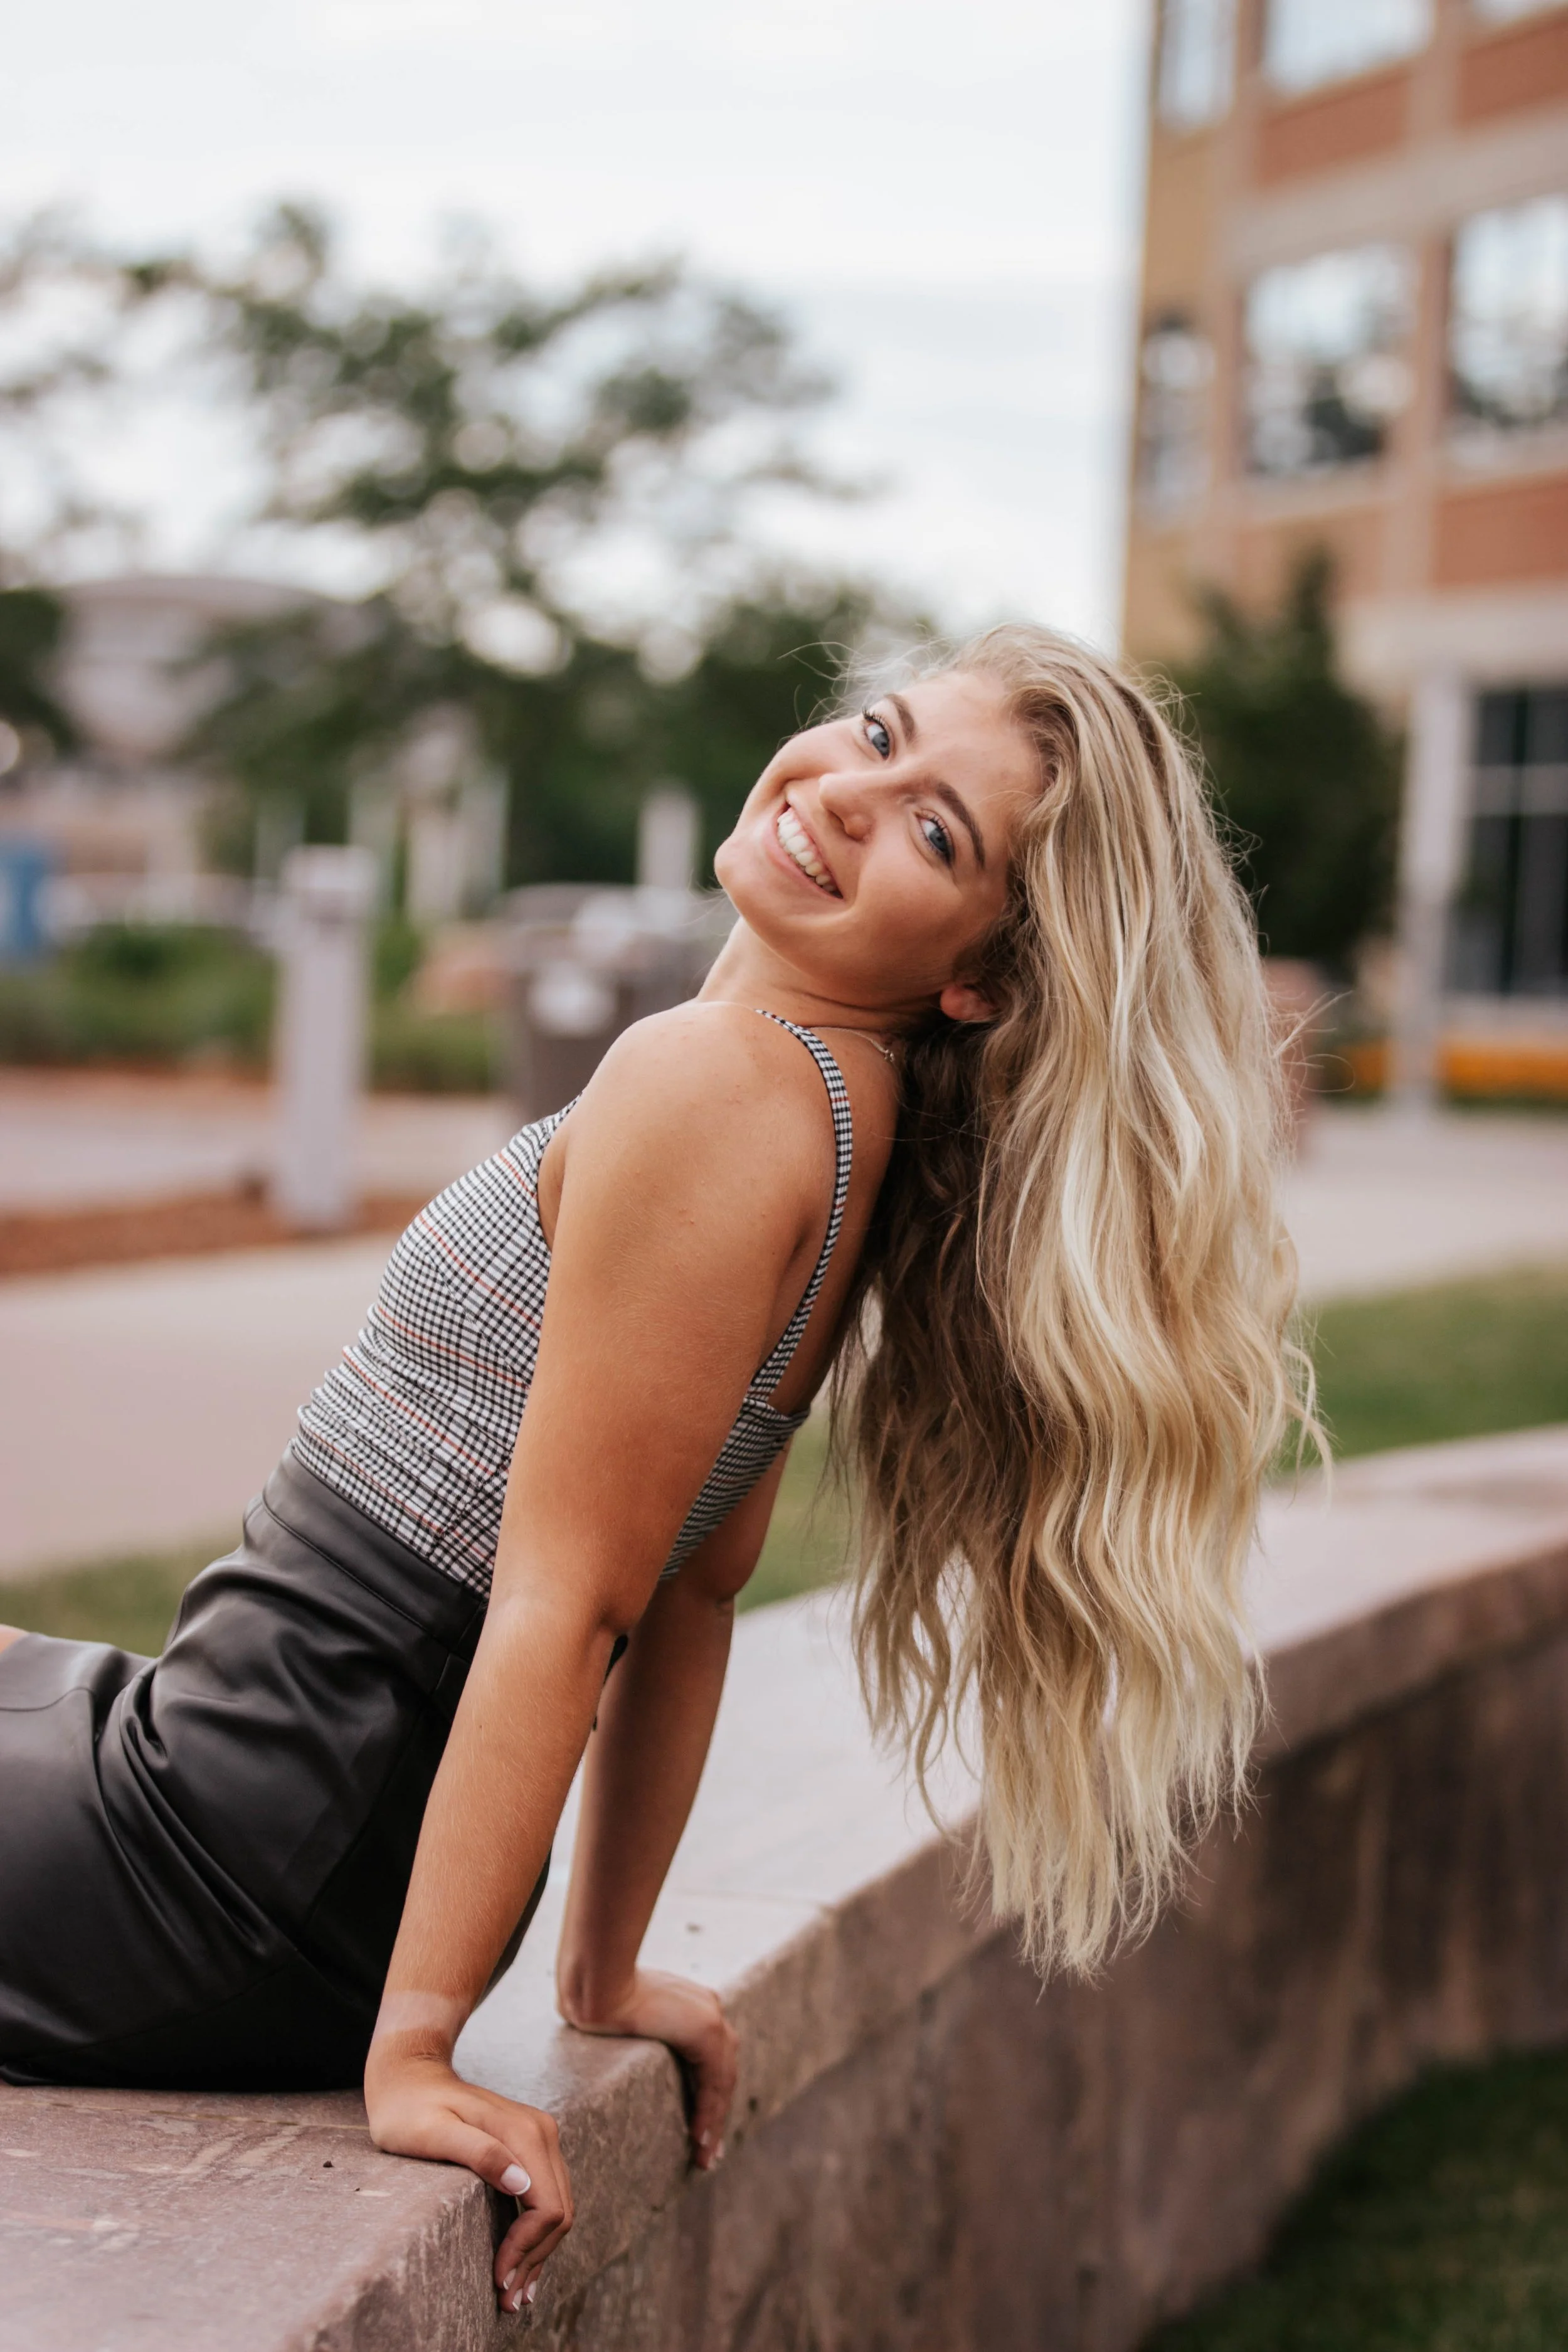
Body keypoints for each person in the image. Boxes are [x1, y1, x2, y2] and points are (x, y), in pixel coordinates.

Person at [0, 628, 1308, 2313]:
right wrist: (598, 1968)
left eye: (931, 832)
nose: (840, 795)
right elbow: (696, 1592)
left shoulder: (705, 1084)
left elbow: (571, 1600)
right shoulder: (840, 1117)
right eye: (872, 732)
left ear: (982, 975)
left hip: (222, 1855)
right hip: (272, 1818)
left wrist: (409, 2050)